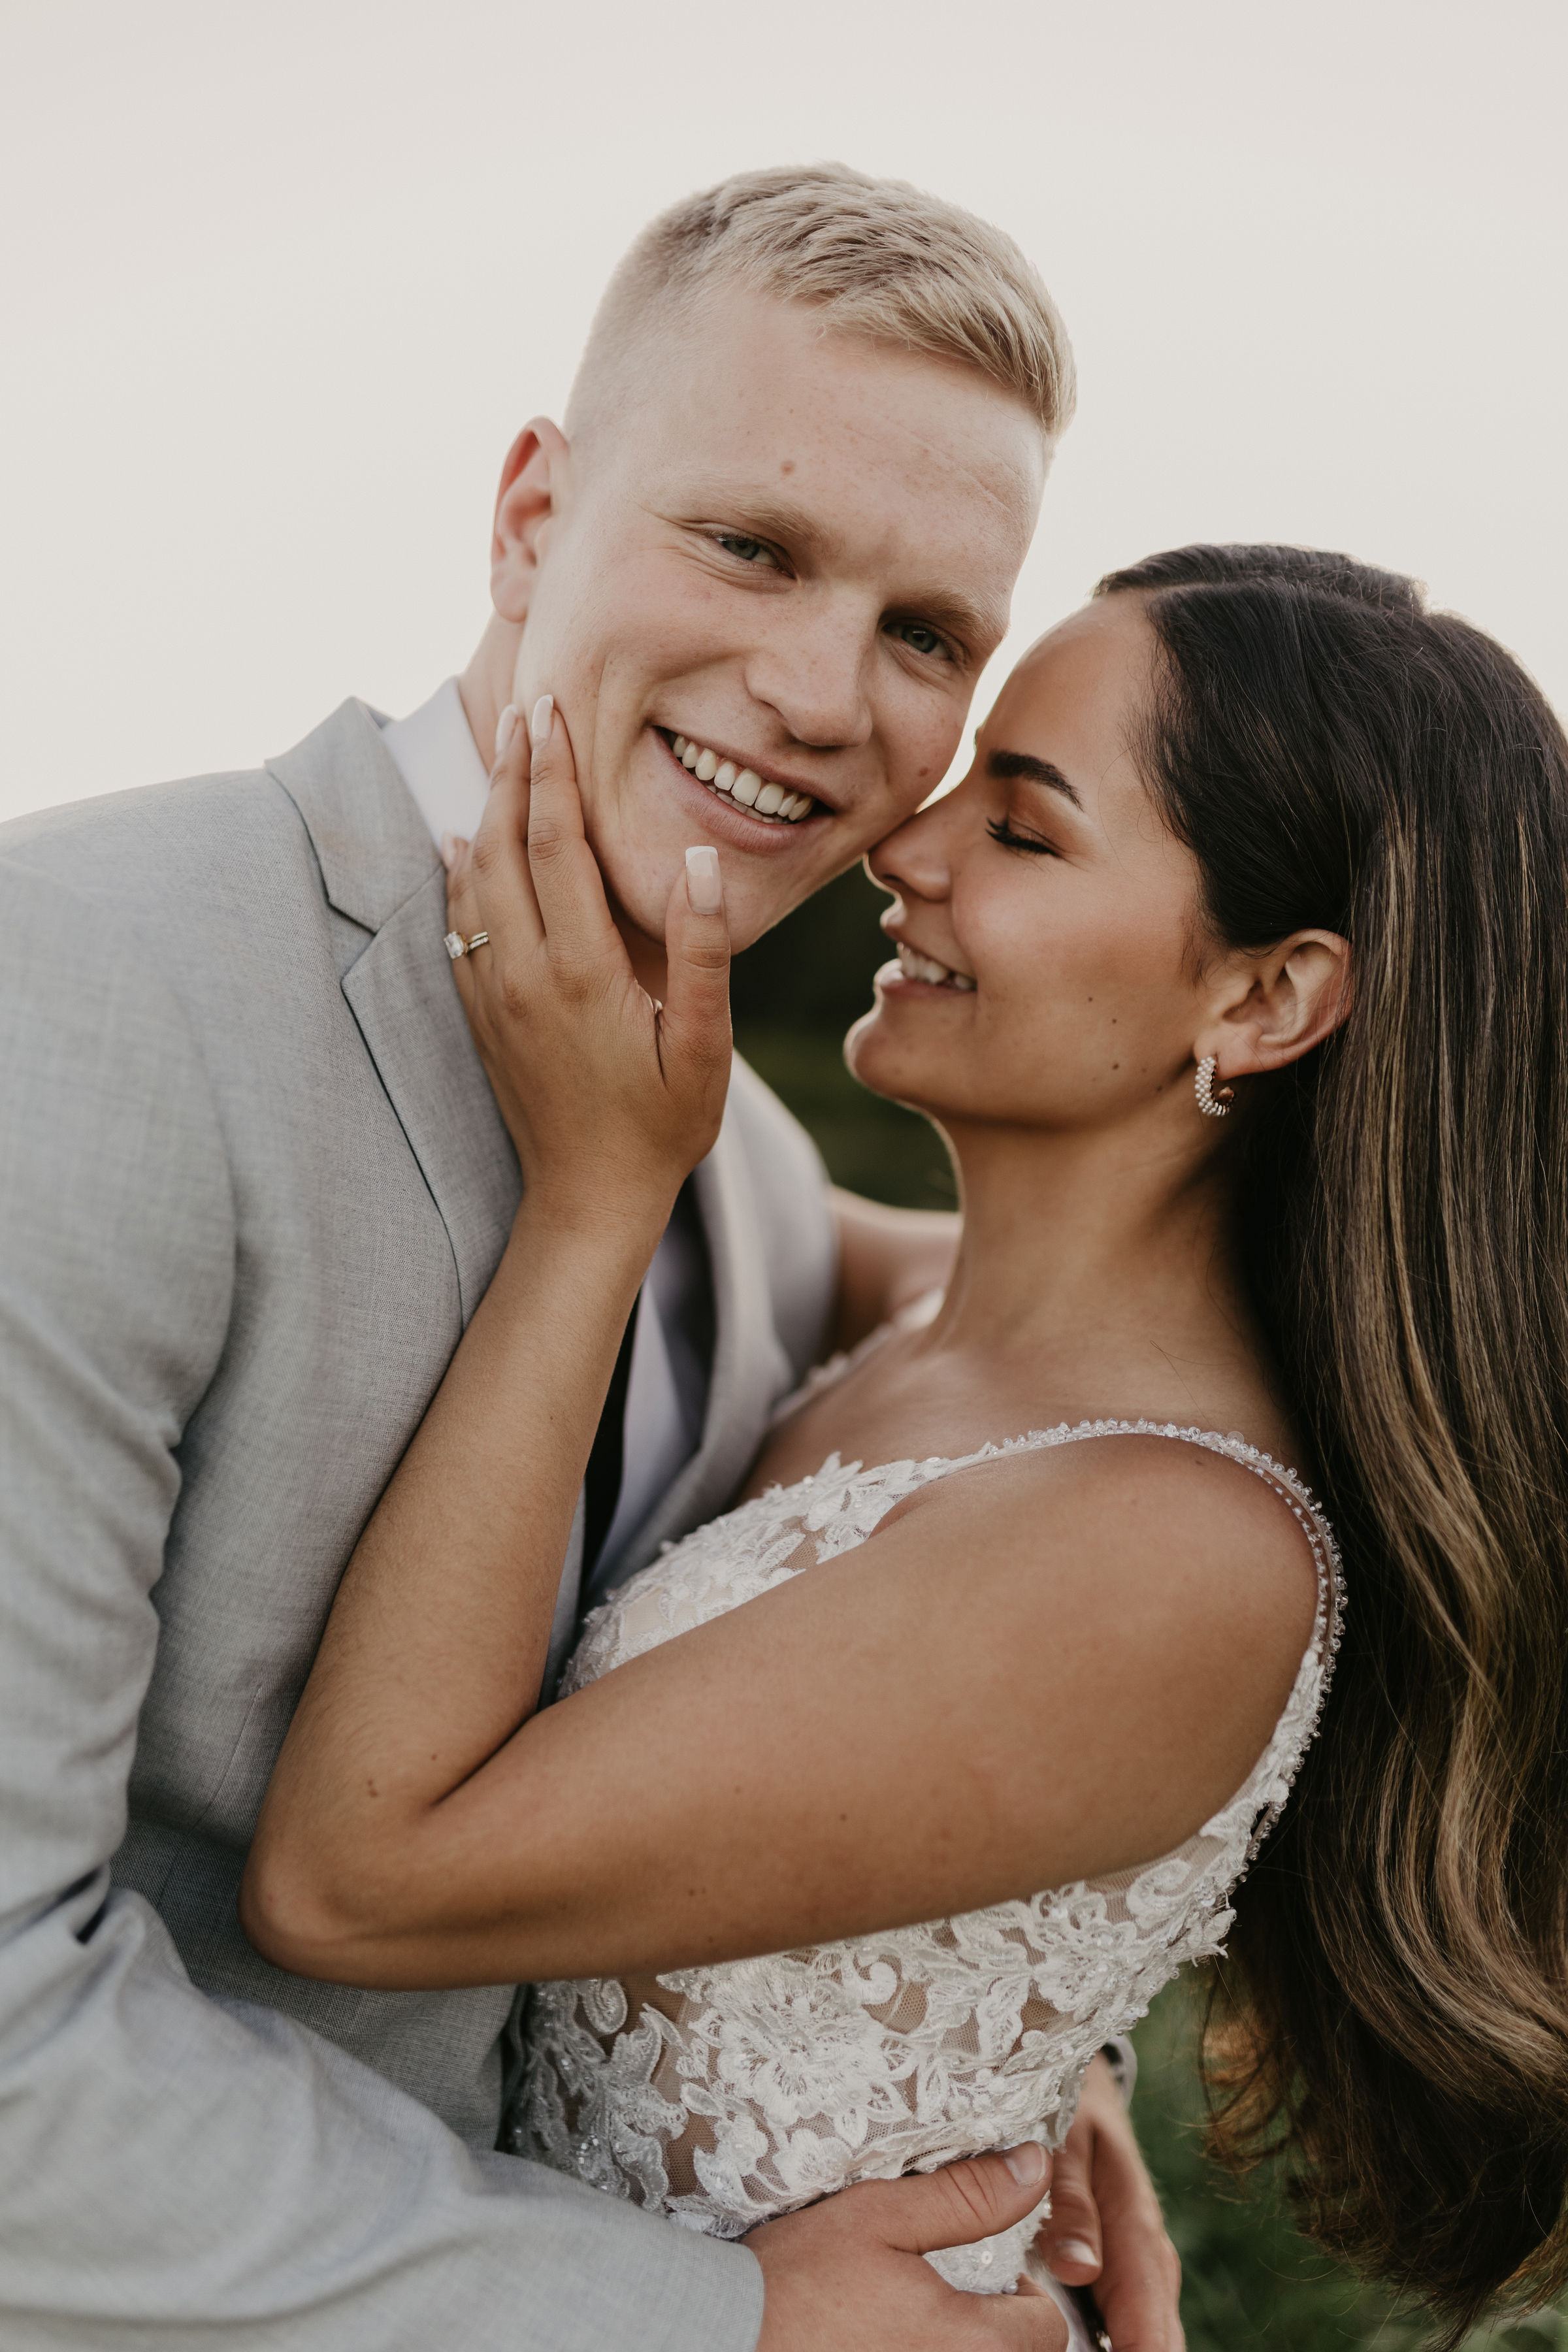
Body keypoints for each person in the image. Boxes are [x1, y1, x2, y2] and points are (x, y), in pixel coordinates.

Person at [0, 165, 1178, 2351]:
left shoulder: (730, 1151)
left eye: (928, 634)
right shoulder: (74, 996)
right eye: (753, 546)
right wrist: (706, 2322)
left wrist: (1023, 2053)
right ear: (532, 515)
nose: (821, 694)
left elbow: (1052, 1357)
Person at [246, 543, 1568, 2347]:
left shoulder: (1167, 1547)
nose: (903, 848)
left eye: (1020, 830)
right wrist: (1058, 2059)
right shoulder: (924, 1297)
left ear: (1266, 1000)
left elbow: (351, 1877)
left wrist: (593, 1207)